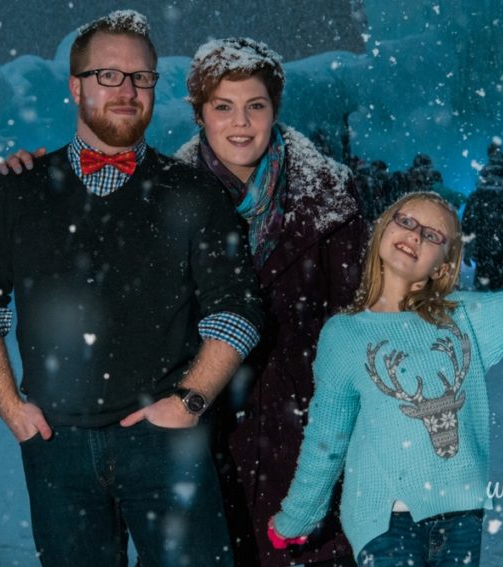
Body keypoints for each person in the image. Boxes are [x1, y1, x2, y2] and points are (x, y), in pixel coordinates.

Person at [0, 11, 262, 566]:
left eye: (141, 77)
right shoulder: (17, 191)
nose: (127, 90)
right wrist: (10, 408)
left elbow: (235, 310)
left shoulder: (193, 192)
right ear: (75, 86)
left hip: (167, 442)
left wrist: (188, 401)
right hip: (56, 449)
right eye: (108, 75)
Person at [267, 191, 503, 565]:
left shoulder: (463, 320)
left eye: (433, 235)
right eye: (406, 221)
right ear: (382, 230)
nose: (416, 235)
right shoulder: (344, 334)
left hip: (462, 514)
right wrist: (299, 516)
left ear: (442, 265)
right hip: (383, 520)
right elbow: (327, 438)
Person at [175, 37, 365, 567]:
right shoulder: (164, 195)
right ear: (199, 114)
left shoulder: (330, 193)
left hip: (307, 428)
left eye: (255, 105)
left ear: (274, 109)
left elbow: (357, 317)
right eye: (223, 107)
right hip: (204, 424)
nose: (241, 123)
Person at [462, 143, 503, 290]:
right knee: (499, 288)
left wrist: (467, 248)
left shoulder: (478, 195)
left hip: (485, 249)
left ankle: (483, 307)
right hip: (502, 249)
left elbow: (468, 222)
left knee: (483, 289)